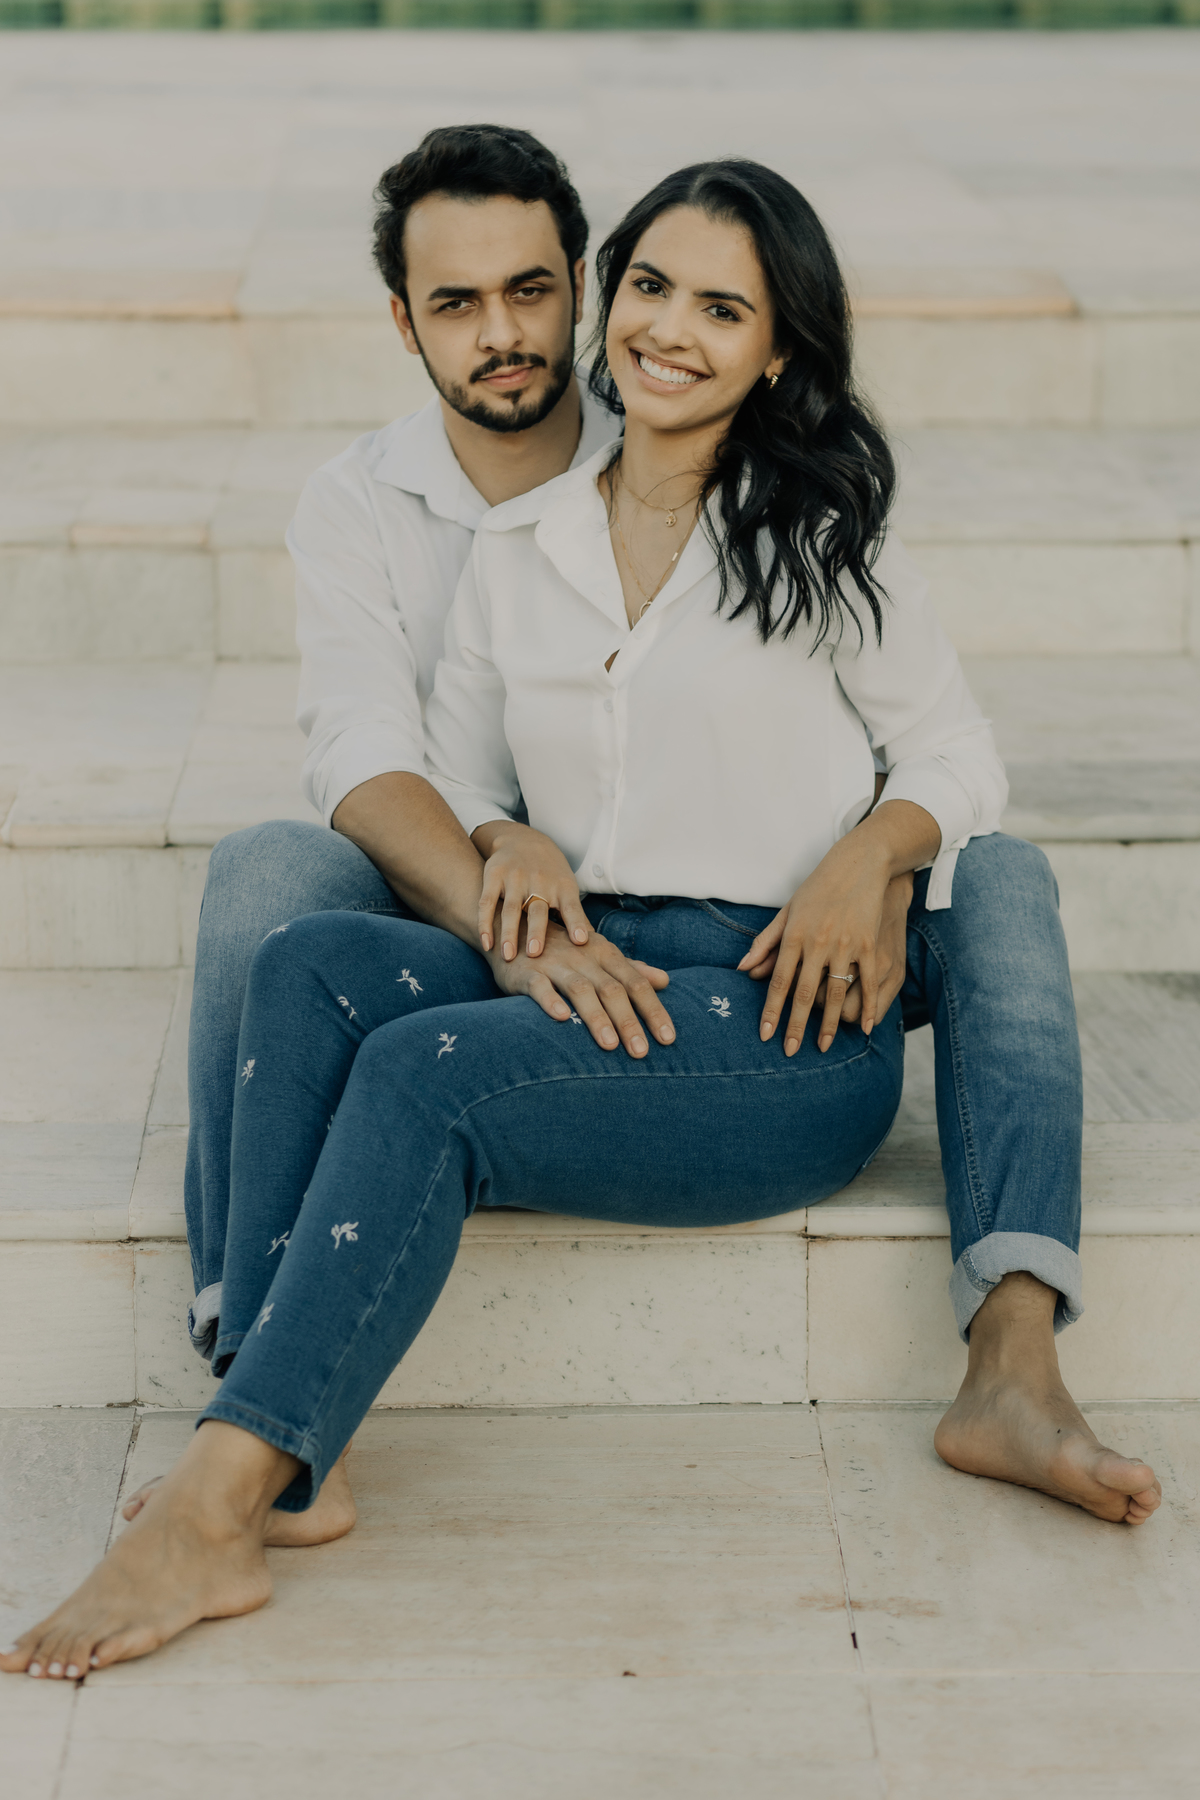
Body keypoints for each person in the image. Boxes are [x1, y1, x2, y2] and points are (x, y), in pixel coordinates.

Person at [3, 156, 1161, 1685]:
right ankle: (292, 1453)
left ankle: (215, 1511)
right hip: (605, 954)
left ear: (778, 351)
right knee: (310, 962)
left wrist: (869, 856)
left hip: (781, 1005)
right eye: (655, 287)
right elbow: (457, 770)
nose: (671, 327)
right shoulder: (524, 546)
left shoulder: (820, 539)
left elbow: (956, 752)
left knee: (427, 1074)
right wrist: (504, 837)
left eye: (723, 308)